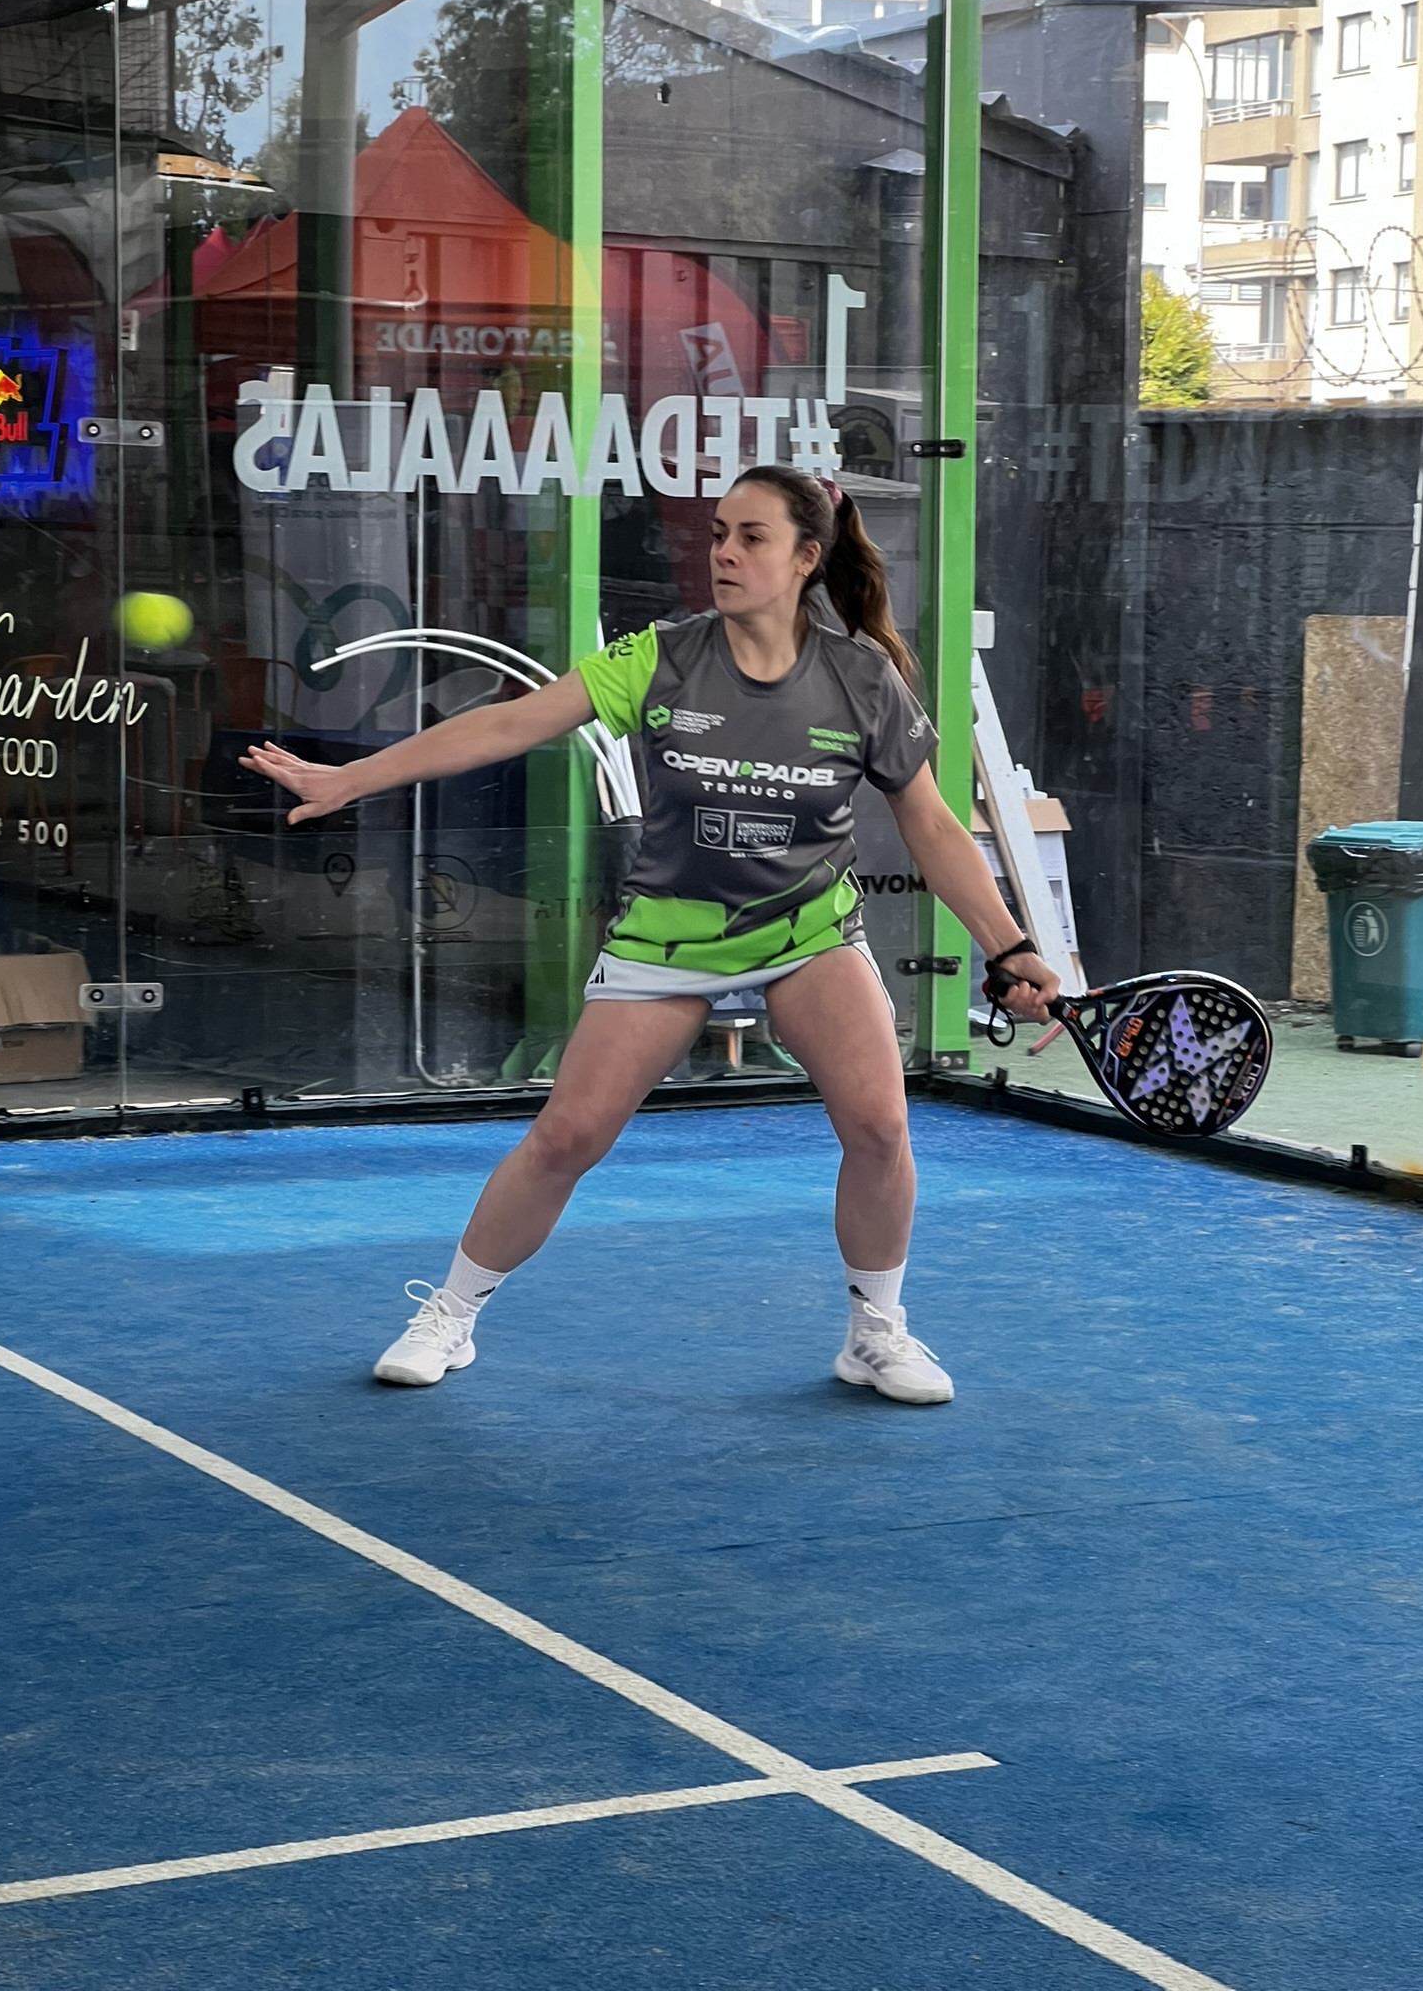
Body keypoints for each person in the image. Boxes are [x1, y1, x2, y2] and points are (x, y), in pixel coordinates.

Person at [243, 465, 1058, 1405]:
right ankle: (450, 1315)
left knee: (880, 1127)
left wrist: (1009, 946)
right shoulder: (663, 657)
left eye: (751, 537)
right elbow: (509, 724)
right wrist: (349, 780)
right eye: (717, 534)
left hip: (808, 931)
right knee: (567, 1138)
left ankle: (875, 1332)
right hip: (666, 940)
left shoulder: (862, 679)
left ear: (806, 558)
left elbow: (934, 827)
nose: (724, 553)